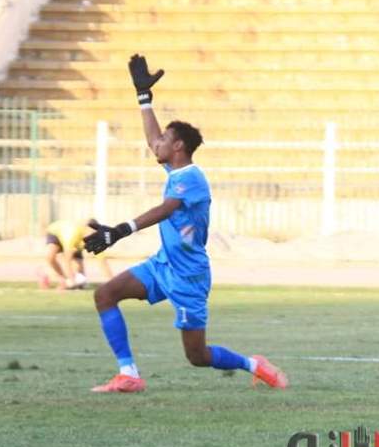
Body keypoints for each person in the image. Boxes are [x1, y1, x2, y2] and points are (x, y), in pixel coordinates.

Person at [82, 53, 288, 394]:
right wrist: (144, 98)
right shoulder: (176, 169)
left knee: (197, 356)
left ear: (178, 146)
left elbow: (166, 209)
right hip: (163, 264)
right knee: (105, 295)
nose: (156, 144)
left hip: (188, 276)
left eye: (164, 139)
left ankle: (255, 365)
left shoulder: (192, 178)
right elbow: (152, 139)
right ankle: (128, 374)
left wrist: (120, 230)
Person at [40, 218, 112, 290]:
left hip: (75, 243)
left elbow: (103, 261)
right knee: (50, 257)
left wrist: (111, 281)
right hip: (56, 233)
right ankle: (61, 279)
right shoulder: (74, 233)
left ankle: (67, 280)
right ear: (85, 228)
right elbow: (67, 259)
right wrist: (71, 279)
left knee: (81, 280)